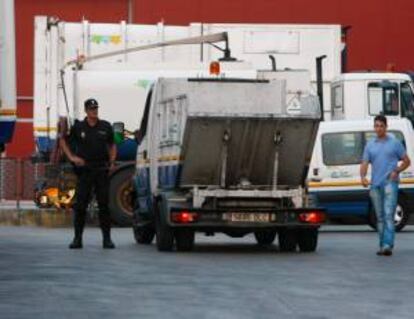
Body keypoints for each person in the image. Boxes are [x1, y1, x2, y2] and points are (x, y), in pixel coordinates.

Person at [60, 98, 117, 249]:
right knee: (80, 206)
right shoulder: (79, 127)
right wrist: (72, 157)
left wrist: (112, 162)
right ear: (86, 111)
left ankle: (107, 239)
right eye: (91, 109)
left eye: (96, 108)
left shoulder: (105, 126)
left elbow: (112, 145)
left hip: (101, 170)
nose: (94, 111)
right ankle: (77, 239)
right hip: (85, 171)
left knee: (104, 205)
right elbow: (63, 141)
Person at [360, 115, 411, 256]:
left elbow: (407, 161)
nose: (379, 128)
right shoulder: (370, 145)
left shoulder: (394, 143)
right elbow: (364, 163)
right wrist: (363, 177)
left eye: (381, 126)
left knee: (389, 215)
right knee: (380, 217)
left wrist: (397, 170)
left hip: (390, 183)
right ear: (374, 127)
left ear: (386, 127)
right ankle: (382, 245)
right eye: (376, 126)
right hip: (375, 185)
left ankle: (388, 245)